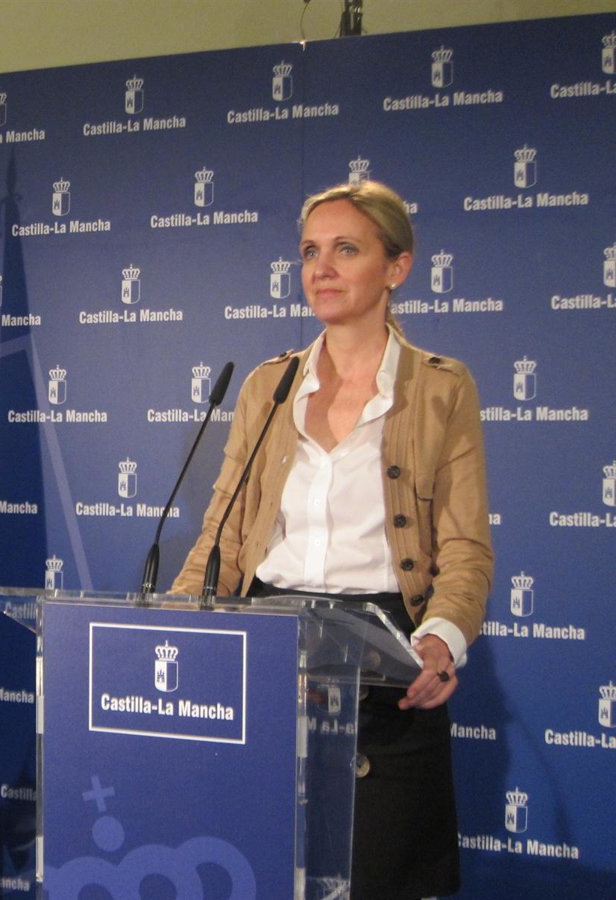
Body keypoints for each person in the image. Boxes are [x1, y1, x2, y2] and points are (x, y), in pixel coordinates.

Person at [171, 181, 492, 899]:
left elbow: (465, 548)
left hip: (388, 667)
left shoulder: (442, 389)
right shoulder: (268, 386)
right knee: (254, 872)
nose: (321, 268)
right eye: (310, 252)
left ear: (397, 267)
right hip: (269, 654)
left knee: (376, 878)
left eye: (346, 249)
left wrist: (441, 639)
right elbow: (222, 532)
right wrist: (180, 622)